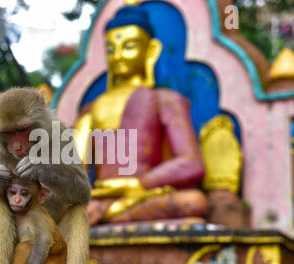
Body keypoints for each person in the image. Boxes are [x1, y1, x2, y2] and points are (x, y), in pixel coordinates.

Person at [73, 4, 208, 225]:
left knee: (193, 202)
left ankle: (107, 215)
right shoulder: (92, 109)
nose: (118, 56)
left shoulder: (164, 100)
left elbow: (191, 163)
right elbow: (72, 173)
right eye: (110, 49)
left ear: (151, 50)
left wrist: (138, 184)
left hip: (144, 195)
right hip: (100, 198)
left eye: (129, 46)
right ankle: (106, 212)